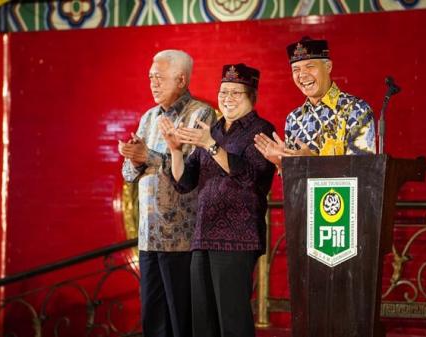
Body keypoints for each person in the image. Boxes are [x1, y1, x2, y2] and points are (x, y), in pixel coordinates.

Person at [159, 63, 275, 337]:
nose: (227, 98)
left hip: (238, 239)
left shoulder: (261, 130)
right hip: (204, 237)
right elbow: (184, 182)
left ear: (251, 97)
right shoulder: (214, 129)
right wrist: (175, 150)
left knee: (233, 322)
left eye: (236, 93)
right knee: (204, 322)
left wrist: (210, 145)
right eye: (224, 92)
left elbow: (249, 177)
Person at [119, 49, 215, 337]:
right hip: (149, 236)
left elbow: (191, 174)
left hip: (181, 239)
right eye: (150, 77)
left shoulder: (200, 113)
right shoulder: (148, 117)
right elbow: (127, 175)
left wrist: (147, 155)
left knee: (182, 322)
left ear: (182, 80)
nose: (153, 84)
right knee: (154, 322)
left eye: (160, 78)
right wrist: (134, 159)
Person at [254, 37, 376, 170]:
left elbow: (364, 171)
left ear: (328, 67)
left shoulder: (356, 110)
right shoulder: (294, 119)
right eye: (296, 69)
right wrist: (281, 163)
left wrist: (313, 162)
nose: (302, 75)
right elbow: (294, 181)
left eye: (310, 66)